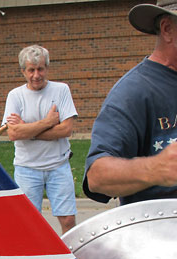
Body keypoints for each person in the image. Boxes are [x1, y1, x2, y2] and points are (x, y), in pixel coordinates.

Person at [83, 0, 177, 205]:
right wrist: (158, 168)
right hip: (160, 231)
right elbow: (97, 177)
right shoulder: (133, 91)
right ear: (168, 29)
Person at [2, 45, 78, 234]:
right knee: (28, 223)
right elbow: (13, 134)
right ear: (23, 72)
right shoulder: (15, 96)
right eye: (31, 70)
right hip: (27, 169)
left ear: (47, 68)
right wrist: (48, 122)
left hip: (58, 166)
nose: (36, 75)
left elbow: (66, 129)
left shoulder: (61, 90)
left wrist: (27, 129)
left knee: (68, 220)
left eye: (40, 69)